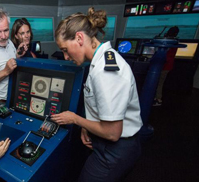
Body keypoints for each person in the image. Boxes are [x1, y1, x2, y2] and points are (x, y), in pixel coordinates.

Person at [51, 7, 143, 182]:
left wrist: (75, 119)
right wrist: (87, 126)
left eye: (65, 49)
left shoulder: (106, 72)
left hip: (115, 149)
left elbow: (112, 132)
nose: (65, 56)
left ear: (79, 38)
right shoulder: (99, 62)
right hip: (105, 144)